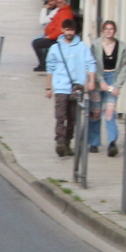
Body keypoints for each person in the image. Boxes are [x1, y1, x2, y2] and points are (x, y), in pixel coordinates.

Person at [45, 18, 95, 158]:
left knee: (73, 118)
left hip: (76, 88)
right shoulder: (55, 48)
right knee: (60, 116)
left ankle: (67, 143)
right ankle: (60, 142)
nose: (69, 33)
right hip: (61, 87)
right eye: (67, 30)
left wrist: (91, 81)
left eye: (71, 30)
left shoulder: (82, 47)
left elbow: (90, 63)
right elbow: (50, 68)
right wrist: (48, 87)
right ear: (62, 30)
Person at [90, 20, 124, 156]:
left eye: (111, 29)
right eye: (106, 29)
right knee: (96, 112)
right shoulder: (96, 45)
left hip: (112, 78)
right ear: (102, 31)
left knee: (110, 112)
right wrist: (100, 81)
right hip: (98, 79)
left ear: (115, 31)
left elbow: (125, 66)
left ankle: (112, 143)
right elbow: (92, 64)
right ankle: (94, 142)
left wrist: (118, 85)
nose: (109, 31)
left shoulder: (121, 47)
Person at [32, 0, 76, 71]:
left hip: (57, 38)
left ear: (66, 3)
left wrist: (50, 37)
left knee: (36, 43)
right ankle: (44, 63)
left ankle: (43, 65)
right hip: (53, 36)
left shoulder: (64, 13)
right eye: (58, 2)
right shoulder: (60, 11)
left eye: (61, 2)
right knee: (37, 41)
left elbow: (60, 29)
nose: (59, 4)